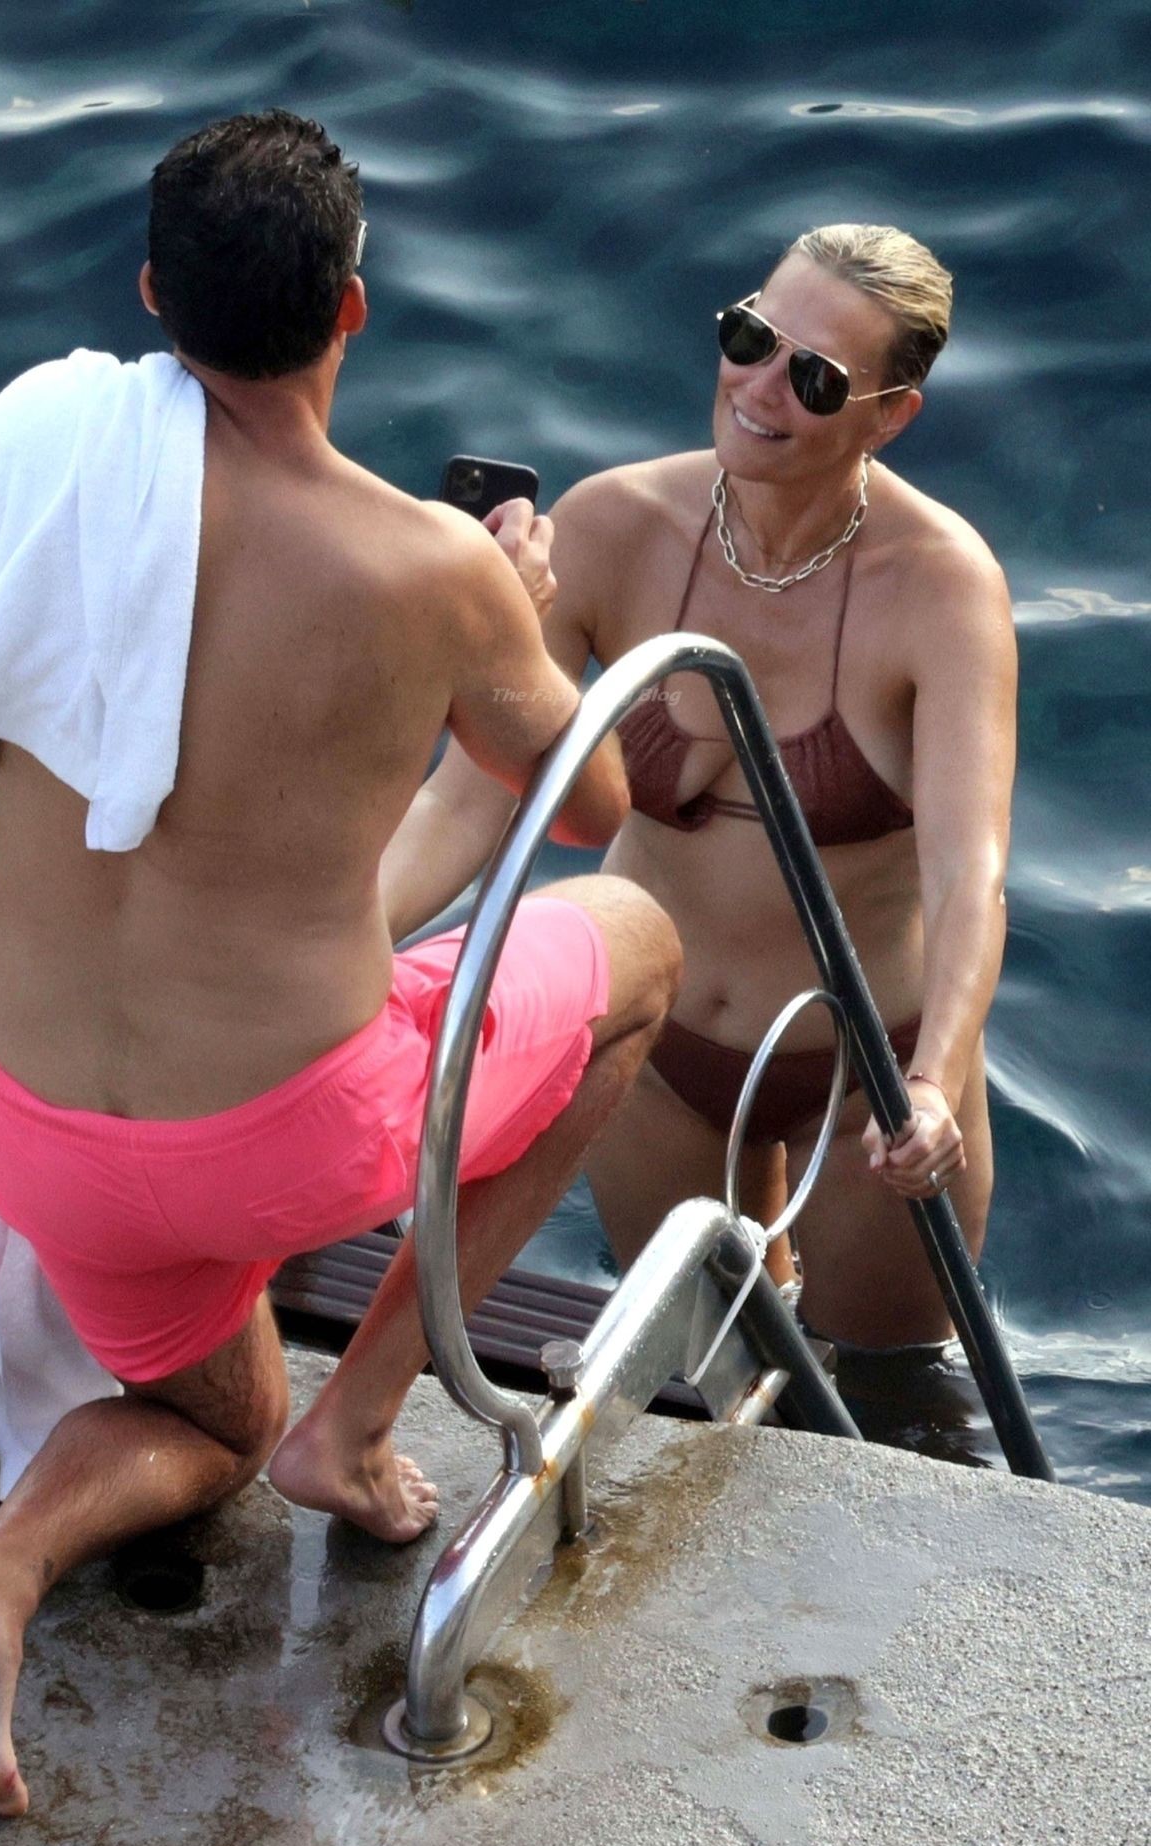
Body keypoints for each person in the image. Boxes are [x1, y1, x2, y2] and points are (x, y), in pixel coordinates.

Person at [0, 111, 683, 1817]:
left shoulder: (45, 492)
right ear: (351, 308)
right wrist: (513, 605)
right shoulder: (426, 565)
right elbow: (592, 804)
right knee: (636, 942)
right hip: (284, 1133)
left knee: (212, 1424)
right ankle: (362, 1423)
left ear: (150, 295)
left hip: (40, 1136)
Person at [384, 223, 1017, 1357]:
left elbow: (970, 875)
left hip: (867, 1074)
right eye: (750, 337)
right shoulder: (615, 525)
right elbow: (462, 806)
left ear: (889, 416)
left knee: (888, 1399)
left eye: (815, 380)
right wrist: (333, 950)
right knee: (693, 1371)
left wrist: (931, 1082)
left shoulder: (941, 587)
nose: (760, 388)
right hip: (655, 1054)